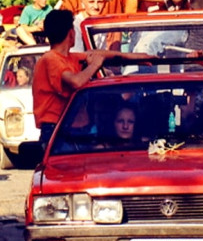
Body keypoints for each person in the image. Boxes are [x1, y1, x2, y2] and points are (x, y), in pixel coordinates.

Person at [33, 10, 142, 148]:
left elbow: (99, 54)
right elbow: (76, 81)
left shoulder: (70, 58)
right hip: (57, 130)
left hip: (76, 128)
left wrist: (140, 57)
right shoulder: (50, 59)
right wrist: (96, 65)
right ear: (71, 33)